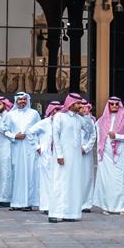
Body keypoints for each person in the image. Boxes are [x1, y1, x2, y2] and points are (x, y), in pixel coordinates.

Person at [49, 94, 94, 223]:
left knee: (73, 183)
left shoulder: (79, 119)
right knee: (60, 183)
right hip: (62, 156)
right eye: (78, 104)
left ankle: (70, 213)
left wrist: (85, 116)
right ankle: (55, 212)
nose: (81, 106)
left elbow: (90, 130)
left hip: (76, 158)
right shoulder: (59, 116)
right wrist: (59, 155)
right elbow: (55, 136)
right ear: (71, 104)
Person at [91, 97, 124, 215]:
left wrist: (117, 136)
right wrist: (99, 156)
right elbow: (99, 139)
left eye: (116, 104)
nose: (114, 106)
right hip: (105, 156)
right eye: (112, 104)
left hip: (119, 155)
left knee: (120, 181)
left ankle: (122, 207)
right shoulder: (100, 121)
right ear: (108, 105)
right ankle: (106, 206)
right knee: (106, 181)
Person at [3, 92, 41, 211]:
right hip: (16, 148)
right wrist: (14, 136)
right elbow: (4, 129)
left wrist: (39, 145)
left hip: (30, 149)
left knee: (30, 174)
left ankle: (28, 203)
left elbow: (40, 129)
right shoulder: (10, 115)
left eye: (24, 99)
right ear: (16, 101)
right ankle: (16, 202)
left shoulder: (34, 113)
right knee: (16, 174)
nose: (22, 102)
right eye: (19, 100)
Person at [32, 101, 60, 214]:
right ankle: (46, 206)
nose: (58, 113)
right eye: (56, 110)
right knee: (46, 182)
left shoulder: (61, 123)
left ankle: (56, 206)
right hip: (46, 156)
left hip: (58, 157)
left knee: (56, 181)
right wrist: (37, 147)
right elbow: (30, 133)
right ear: (51, 111)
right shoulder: (44, 123)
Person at [0, 96, 14, 208]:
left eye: (0, 104)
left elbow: (4, 130)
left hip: (7, 149)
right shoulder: (2, 116)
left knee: (6, 173)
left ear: (5, 105)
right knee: (1, 173)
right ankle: (1, 197)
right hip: (1, 149)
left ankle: (5, 199)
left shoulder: (8, 116)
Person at [79, 100, 97, 213]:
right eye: (82, 107)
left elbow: (93, 136)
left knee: (86, 178)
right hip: (73, 152)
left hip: (86, 153)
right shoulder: (73, 119)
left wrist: (85, 148)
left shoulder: (90, 120)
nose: (85, 110)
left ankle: (86, 204)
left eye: (87, 107)